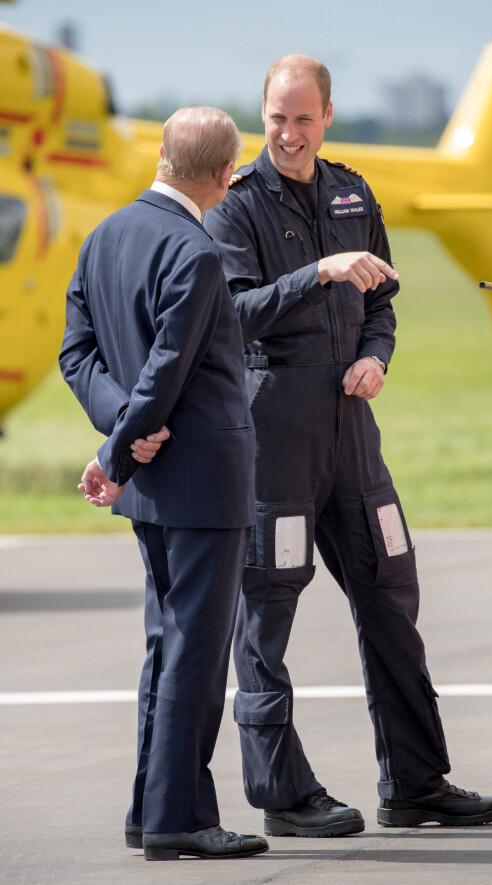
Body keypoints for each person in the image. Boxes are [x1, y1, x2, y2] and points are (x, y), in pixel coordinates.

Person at [203, 56, 492, 836]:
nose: (289, 132)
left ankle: (414, 782)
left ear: (327, 115)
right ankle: (282, 794)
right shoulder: (235, 209)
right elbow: (232, 318)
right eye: (276, 116)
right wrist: (318, 272)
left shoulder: (351, 190)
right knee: (268, 607)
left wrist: (377, 354)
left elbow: (384, 301)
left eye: (304, 118)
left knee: (391, 589)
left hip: (352, 434)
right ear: (260, 113)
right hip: (279, 435)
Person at [59, 107, 269, 861]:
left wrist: (119, 433)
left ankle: (152, 805)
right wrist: (123, 446)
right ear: (223, 176)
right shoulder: (200, 252)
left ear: (160, 156)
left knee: (164, 645)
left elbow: (77, 352)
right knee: (195, 655)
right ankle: (179, 817)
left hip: (152, 487)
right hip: (203, 482)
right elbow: (169, 371)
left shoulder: (105, 236)